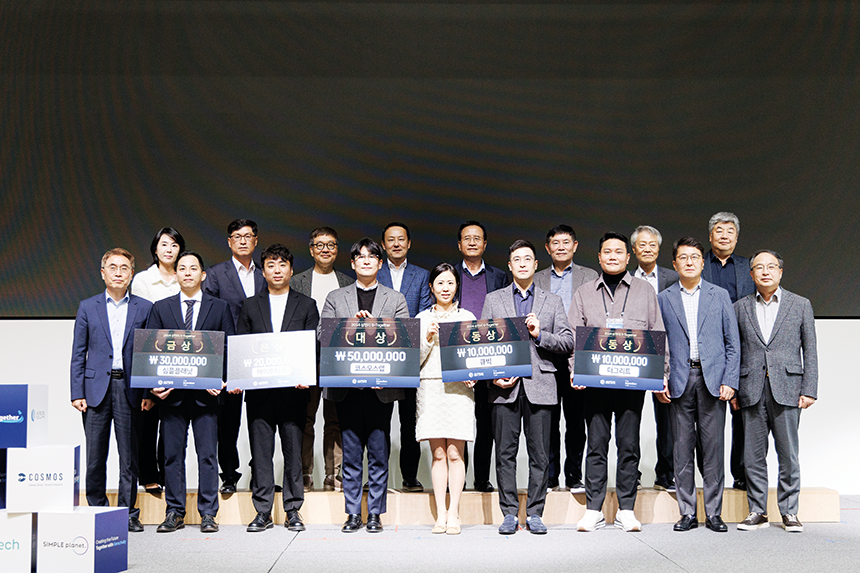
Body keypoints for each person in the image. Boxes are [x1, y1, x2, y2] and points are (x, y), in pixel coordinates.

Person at [568, 232, 667, 532]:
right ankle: (594, 509)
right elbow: (573, 335)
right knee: (596, 446)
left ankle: (626, 509)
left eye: (618, 252)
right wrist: (574, 369)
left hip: (631, 384)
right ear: (599, 257)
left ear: (628, 257)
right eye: (607, 252)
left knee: (629, 446)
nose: (613, 256)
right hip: (595, 384)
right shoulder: (584, 292)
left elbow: (657, 333)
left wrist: (661, 373)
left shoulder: (645, 291)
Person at [482, 240, 574, 535]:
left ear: (536, 265)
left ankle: (535, 513)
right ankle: (509, 513)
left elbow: (568, 341)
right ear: (510, 266)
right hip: (503, 387)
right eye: (517, 260)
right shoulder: (493, 299)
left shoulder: (552, 301)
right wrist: (493, 377)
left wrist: (540, 334)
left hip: (541, 384)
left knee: (540, 454)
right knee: (504, 454)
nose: (522, 264)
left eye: (527, 259)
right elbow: (483, 345)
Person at [320, 238, 409, 533]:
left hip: (381, 389)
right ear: (353, 263)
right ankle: (352, 513)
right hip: (346, 388)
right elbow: (322, 334)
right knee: (351, 453)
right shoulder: (336, 297)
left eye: (372, 256)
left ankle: (375, 513)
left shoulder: (395, 299)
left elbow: (404, 338)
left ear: (380, 263)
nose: (366, 260)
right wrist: (352, 325)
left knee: (379, 453)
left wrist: (376, 326)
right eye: (361, 256)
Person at [147, 252, 235, 534]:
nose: (187, 273)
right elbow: (150, 350)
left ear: (203, 274)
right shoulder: (161, 308)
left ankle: (208, 513)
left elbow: (228, 347)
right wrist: (154, 385)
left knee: (208, 456)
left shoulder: (219, 307)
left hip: (206, 396)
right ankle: (174, 511)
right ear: (175, 275)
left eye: (193, 268)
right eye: (182, 268)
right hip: (171, 397)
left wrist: (220, 378)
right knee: (172, 456)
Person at [657, 236, 740, 533]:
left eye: (694, 257)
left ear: (703, 263)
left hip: (713, 381)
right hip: (678, 380)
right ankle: (687, 512)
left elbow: (733, 344)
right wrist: (660, 378)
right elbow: (659, 343)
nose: (689, 262)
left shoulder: (720, 296)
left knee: (713, 449)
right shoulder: (664, 298)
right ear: (674, 263)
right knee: (681, 449)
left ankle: (714, 513)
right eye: (683, 257)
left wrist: (730, 380)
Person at [733, 250, 818, 533]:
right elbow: (734, 351)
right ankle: (757, 511)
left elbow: (811, 350)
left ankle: (790, 511)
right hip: (751, 389)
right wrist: (734, 389)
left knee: (789, 454)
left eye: (771, 267)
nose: (765, 272)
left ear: (780, 272)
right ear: (751, 274)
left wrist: (809, 389)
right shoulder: (740, 307)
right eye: (759, 267)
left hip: (789, 388)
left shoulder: (800, 304)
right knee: (752, 456)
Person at [237, 244, 319, 533]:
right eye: (271, 265)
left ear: (291, 270)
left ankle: (293, 509)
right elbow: (242, 347)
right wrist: (239, 378)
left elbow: (313, 346)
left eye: (282, 264)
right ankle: (262, 511)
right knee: (261, 453)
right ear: (263, 271)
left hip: (294, 391)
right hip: (259, 393)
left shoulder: (306, 304)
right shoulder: (250, 305)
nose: (277, 270)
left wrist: (307, 374)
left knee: (293, 452)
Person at [71, 248, 153, 533]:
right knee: (95, 457)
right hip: (95, 390)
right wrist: (77, 392)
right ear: (103, 273)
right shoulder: (88, 307)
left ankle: (128, 513)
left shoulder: (145, 308)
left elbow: (148, 355)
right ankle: (97, 510)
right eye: (113, 267)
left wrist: (148, 393)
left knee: (129, 458)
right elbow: (78, 353)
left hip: (130, 389)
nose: (118, 273)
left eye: (124, 268)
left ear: (132, 274)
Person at [534, 224, 598, 493]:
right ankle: (550, 477)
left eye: (566, 242)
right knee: (548, 421)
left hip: (578, 356)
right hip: (546, 356)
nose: (561, 247)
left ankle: (573, 475)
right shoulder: (537, 278)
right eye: (555, 243)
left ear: (575, 246)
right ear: (548, 248)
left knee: (576, 421)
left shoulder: (590, 276)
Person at [203, 219, 265, 494]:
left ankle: (260, 475)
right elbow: (209, 316)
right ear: (229, 242)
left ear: (255, 241)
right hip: (228, 357)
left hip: (261, 357)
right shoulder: (216, 274)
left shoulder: (265, 273)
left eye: (247, 236)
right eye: (237, 236)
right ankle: (229, 474)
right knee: (228, 421)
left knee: (261, 419)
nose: (242, 240)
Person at [416, 263, 477, 535]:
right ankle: (440, 513)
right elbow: (413, 360)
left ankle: (454, 512)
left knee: (455, 452)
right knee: (438, 453)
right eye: (440, 283)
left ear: (457, 287)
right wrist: (428, 338)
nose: (445, 288)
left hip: (458, 390)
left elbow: (476, 356)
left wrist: (473, 375)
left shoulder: (467, 317)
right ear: (431, 287)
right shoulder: (421, 318)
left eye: (450, 283)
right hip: (430, 388)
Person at [292, 227, 352, 492]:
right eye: (320, 244)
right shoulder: (297, 282)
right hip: (306, 358)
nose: (325, 249)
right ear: (311, 249)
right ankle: (304, 473)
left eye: (331, 244)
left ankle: (334, 473)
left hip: (337, 360)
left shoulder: (347, 282)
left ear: (337, 249)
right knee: (305, 418)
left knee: (336, 419)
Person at [454, 220, 511, 492]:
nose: (472, 242)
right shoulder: (450, 273)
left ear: (485, 244)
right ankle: (459, 480)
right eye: (467, 238)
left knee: (486, 423)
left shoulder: (499, 277)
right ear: (459, 245)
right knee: (460, 422)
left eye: (477, 238)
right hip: (458, 356)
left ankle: (481, 479)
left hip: (490, 356)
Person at [701, 211, 755, 490]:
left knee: (743, 418)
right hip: (705, 351)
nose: (724, 236)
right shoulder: (698, 263)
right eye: (719, 231)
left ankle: (741, 474)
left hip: (741, 350)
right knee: (706, 420)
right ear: (710, 236)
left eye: (730, 231)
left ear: (737, 237)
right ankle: (709, 477)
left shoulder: (749, 267)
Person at [378, 222, 433, 492]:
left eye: (401, 239)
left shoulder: (422, 276)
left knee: (410, 422)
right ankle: (378, 478)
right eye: (391, 240)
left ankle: (409, 476)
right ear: (383, 245)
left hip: (412, 359)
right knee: (379, 422)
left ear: (409, 243)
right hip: (381, 359)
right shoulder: (374, 272)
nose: (396, 244)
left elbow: (423, 316)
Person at [131, 227, 185, 495]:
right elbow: (141, 324)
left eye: (174, 245)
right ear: (155, 249)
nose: (169, 250)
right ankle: (148, 475)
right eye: (164, 244)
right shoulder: (143, 280)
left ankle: (168, 474)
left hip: (182, 357)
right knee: (148, 419)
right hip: (151, 356)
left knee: (173, 422)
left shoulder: (185, 276)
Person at [631, 225, 679, 492]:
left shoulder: (674, 278)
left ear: (659, 249)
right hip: (634, 357)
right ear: (633, 250)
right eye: (642, 244)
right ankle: (632, 473)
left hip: (667, 355)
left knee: (668, 419)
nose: (647, 249)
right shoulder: (626, 279)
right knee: (630, 418)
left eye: (652, 244)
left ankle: (666, 474)